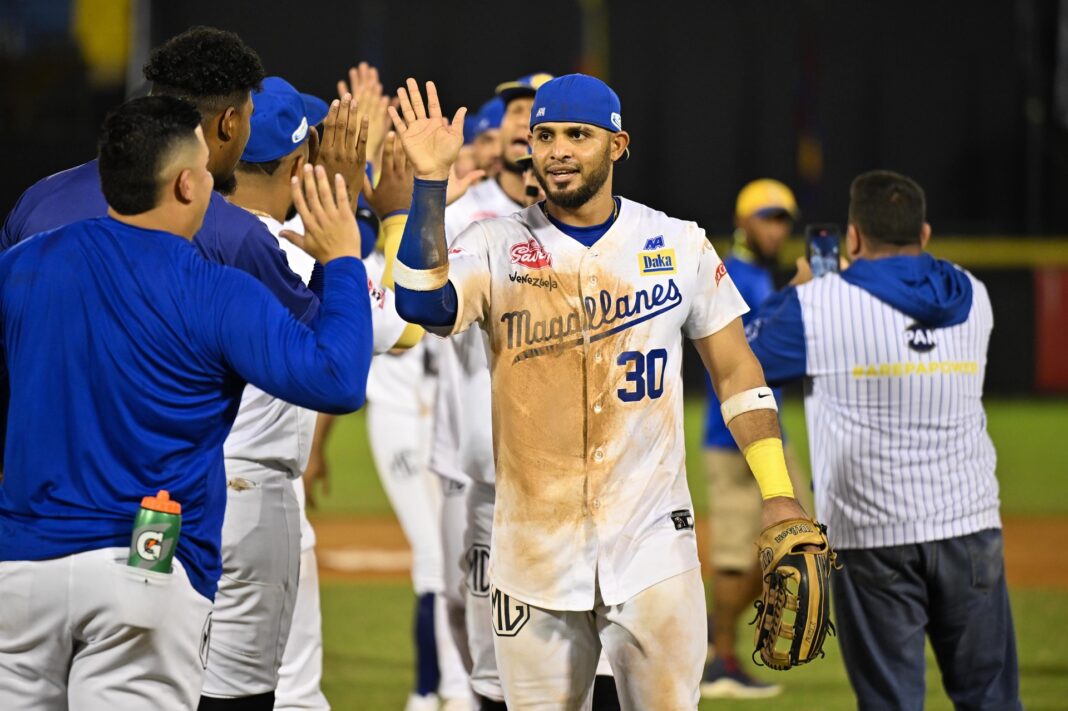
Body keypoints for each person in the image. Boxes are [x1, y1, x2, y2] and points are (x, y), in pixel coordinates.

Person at [388, 74, 810, 709]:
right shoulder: (494, 245)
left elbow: (737, 374)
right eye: (545, 135)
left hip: (653, 551)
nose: (557, 150)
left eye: (578, 135)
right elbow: (421, 301)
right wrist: (428, 184)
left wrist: (778, 493)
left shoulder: (677, 243)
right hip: (532, 554)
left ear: (618, 146)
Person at [0, 27, 374, 709]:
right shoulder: (219, 267)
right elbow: (335, 373)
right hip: (147, 554)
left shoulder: (26, 252)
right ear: (181, 181)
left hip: (23, 560)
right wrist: (346, 255)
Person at [746, 170, 1021, 710]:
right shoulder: (976, 294)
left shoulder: (819, 306)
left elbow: (744, 360)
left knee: (891, 703)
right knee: (991, 700)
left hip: (873, 538)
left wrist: (801, 290)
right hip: (972, 528)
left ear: (851, 237)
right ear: (923, 233)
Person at [228, 76, 419, 711]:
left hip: (162, 489)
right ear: (297, 162)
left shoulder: (184, 239)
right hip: (254, 500)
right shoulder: (301, 262)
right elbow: (408, 326)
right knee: (287, 693)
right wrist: (391, 215)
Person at [699, 179, 811, 699]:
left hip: (767, 433)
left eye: (783, 219)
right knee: (737, 556)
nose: (777, 228)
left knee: (793, 545)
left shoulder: (760, 276)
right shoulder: (732, 273)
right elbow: (752, 350)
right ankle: (718, 655)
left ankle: (712, 640)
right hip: (731, 436)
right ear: (744, 222)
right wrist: (798, 297)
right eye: (767, 217)